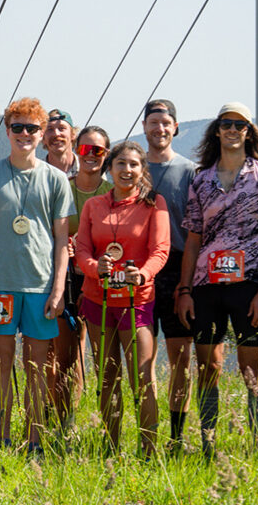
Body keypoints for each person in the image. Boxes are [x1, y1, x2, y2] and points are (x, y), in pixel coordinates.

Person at [174, 102, 258, 452]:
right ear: (217, 130)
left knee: (252, 367)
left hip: (250, 285)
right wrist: (185, 289)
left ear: (249, 132)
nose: (233, 130)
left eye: (240, 125)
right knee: (208, 365)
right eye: (227, 124)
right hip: (206, 287)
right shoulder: (202, 179)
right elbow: (193, 239)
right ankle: (208, 443)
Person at [0, 98, 74, 452]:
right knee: (0, 364)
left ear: (42, 134)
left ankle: (35, 441)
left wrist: (58, 289)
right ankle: (1, 438)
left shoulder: (56, 179)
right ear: (7, 131)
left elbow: (62, 238)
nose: (24, 134)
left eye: (32, 128)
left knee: (38, 368)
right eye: (17, 127)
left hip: (41, 286)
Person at [73, 141, 170, 455]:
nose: (127, 171)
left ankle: (148, 451)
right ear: (109, 168)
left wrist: (142, 273)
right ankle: (110, 447)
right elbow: (83, 250)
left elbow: (160, 250)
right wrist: (93, 268)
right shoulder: (93, 206)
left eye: (133, 165)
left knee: (142, 376)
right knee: (107, 375)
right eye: (120, 164)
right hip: (97, 300)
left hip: (136, 300)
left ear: (142, 170)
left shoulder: (154, 204)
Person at [137, 99, 200, 449]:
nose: (159, 129)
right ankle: (148, 435)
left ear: (175, 127)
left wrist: (187, 282)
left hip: (177, 268)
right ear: (144, 127)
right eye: (153, 122)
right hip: (139, 269)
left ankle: (176, 438)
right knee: (144, 358)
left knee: (181, 357)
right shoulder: (132, 167)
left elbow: (196, 229)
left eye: (165, 123)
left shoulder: (189, 171)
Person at [53, 125, 112, 430]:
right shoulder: (62, 186)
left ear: (107, 155)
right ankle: (65, 424)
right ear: (76, 149)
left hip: (101, 282)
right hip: (66, 277)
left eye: (98, 150)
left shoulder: (112, 193)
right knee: (65, 356)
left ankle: (106, 426)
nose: (91, 155)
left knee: (99, 357)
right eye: (86, 149)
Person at [41, 109, 77, 173]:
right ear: (43, 138)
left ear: (73, 134)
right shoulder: (36, 174)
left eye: (61, 128)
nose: (56, 134)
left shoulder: (87, 169)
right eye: (50, 129)